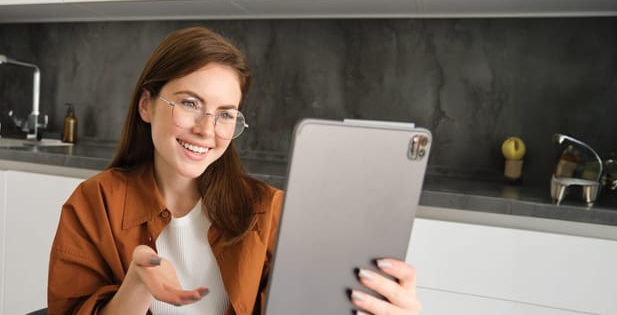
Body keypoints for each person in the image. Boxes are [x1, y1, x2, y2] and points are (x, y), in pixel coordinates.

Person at [47, 26, 422, 315]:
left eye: (225, 114)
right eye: (190, 103)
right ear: (146, 105)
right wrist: (136, 286)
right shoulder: (94, 203)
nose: (207, 130)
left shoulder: (270, 211)